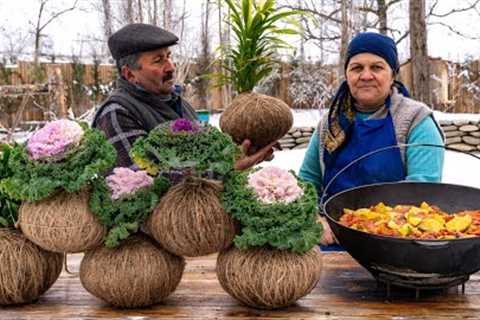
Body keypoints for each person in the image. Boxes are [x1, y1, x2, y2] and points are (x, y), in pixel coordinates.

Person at [299, 32, 445, 245]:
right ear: (347, 75)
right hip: (330, 241)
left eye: (377, 67)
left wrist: (362, 225)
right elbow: (306, 183)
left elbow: (422, 190)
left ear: (392, 74)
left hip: (396, 244)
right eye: (357, 68)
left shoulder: (416, 120)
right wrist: (313, 219)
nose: (366, 75)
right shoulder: (329, 124)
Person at [93, 23, 274, 170]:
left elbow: (207, 156)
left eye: (169, 56)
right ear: (130, 74)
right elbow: (141, 184)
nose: (171, 67)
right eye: (158, 60)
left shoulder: (179, 103)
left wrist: (244, 150)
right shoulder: (117, 113)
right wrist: (226, 170)